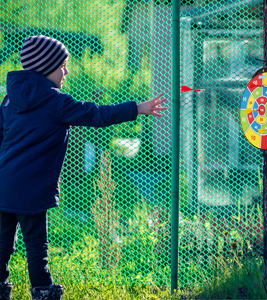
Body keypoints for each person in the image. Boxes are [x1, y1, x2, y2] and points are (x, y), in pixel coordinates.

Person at [0, 35, 167, 300]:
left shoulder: (9, 100)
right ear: (46, 67)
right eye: (63, 65)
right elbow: (97, 115)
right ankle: (43, 293)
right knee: (36, 248)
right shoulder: (56, 102)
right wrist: (137, 108)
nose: (66, 71)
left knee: (2, 247)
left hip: (4, 186)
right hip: (31, 191)